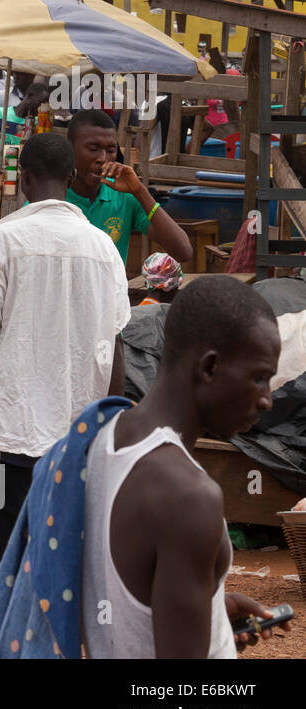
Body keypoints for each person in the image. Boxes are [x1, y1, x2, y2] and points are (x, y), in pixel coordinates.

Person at [0, 133, 130, 592]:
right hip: (78, 435)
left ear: (24, 178)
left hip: (14, 432)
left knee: (6, 551)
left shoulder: (5, 239)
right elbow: (115, 343)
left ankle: (3, 638)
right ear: (73, 177)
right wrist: (112, 415)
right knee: (66, 553)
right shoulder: (102, 249)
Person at [80, 277, 286, 658]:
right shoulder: (189, 495)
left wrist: (208, 612)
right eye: (259, 378)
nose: (266, 400)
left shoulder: (105, 439)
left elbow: (123, 600)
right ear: (209, 368)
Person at [65, 109, 193, 266]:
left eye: (111, 150)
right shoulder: (54, 197)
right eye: (93, 149)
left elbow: (183, 251)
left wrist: (139, 191)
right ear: (70, 148)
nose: (102, 158)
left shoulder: (124, 196)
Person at [0, 83, 49, 170]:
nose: (42, 108)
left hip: (20, 177)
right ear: (29, 96)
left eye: (45, 105)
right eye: (40, 102)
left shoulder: (39, 124)